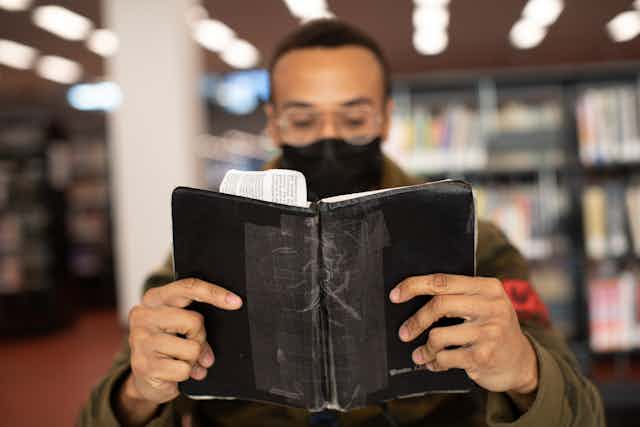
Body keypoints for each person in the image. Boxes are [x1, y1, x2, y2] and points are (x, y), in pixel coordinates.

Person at [80, 19, 605, 427]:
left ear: (385, 117)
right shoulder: (204, 249)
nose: (328, 137)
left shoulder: (475, 248)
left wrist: (526, 373)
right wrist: (138, 392)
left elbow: (584, 414)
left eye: (353, 119)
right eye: (304, 119)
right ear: (273, 121)